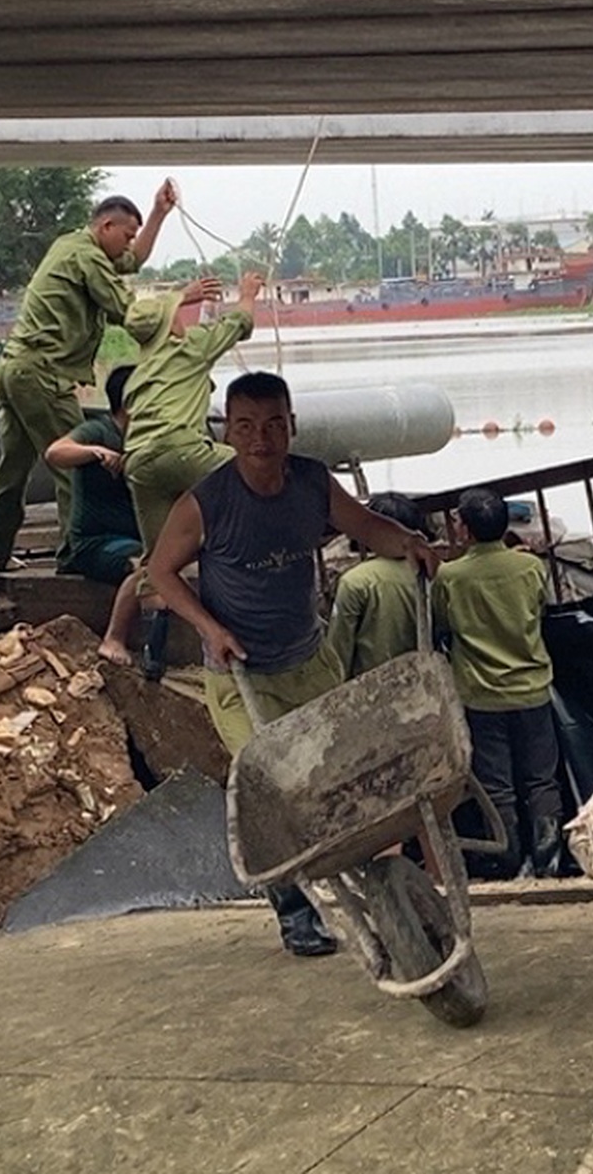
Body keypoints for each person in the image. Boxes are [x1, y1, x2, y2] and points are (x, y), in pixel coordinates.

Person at [146, 371, 441, 957]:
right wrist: (210, 628)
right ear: (227, 431)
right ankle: (294, 909)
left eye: (275, 424)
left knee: (339, 778)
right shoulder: (204, 504)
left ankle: (375, 885)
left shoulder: (310, 481)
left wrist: (408, 542)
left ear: (292, 426)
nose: (262, 438)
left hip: (309, 660)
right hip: (239, 675)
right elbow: (159, 574)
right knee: (272, 791)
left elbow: (365, 526)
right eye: (248, 426)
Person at [0, 181, 205, 573]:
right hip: (43, 375)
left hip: (15, 369)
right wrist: (179, 299)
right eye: (126, 235)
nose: (129, 243)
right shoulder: (86, 256)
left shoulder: (75, 246)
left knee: (13, 467)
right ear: (106, 228)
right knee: (74, 467)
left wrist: (158, 214)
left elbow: (132, 261)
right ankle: (74, 556)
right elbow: (128, 311)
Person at [124, 269, 257, 676]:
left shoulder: (143, 367)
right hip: (178, 448)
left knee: (156, 560)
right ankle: (255, 564)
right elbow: (238, 323)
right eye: (180, 315)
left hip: (139, 463)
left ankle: (154, 656)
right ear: (171, 328)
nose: (186, 319)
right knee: (253, 470)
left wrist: (187, 300)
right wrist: (248, 293)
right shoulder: (189, 349)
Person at [433, 488, 565, 879]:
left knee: (497, 784)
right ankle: (549, 857)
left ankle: (508, 860)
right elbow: (540, 609)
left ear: (466, 530)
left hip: (480, 694)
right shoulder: (530, 568)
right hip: (532, 687)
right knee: (542, 777)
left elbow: (442, 624)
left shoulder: (450, 576)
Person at [43, 364, 146, 665]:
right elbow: (56, 452)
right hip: (96, 543)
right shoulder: (100, 430)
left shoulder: (147, 437)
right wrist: (95, 452)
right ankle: (114, 638)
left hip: (136, 537)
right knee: (145, 567)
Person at [325, 492, 428, 679]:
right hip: (425, 679)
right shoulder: (435, 573)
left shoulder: (356, 581)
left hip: (373, 688)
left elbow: (340, 646)